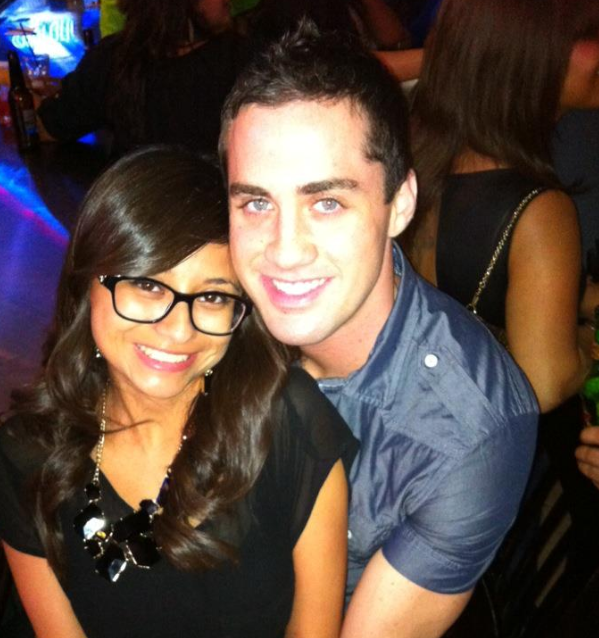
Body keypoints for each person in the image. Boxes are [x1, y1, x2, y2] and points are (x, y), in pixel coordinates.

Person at [219, 20, 539, 638]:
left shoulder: (471, 431)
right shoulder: (206, 310)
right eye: (256, 202)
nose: (284, 251)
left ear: (401, 204)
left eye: (327, 202)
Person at [0, 147, 357, 638]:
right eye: (148, 286)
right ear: (86, 283)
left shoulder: (290, 422)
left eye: (214, 296)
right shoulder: (26, 456)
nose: (179, 330)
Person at [404, 0, 598, 414]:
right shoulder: (538, 210)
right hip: (512, 443)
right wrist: (585, 342)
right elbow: (544, 382)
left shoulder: (423, 157)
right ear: (528, 51)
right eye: (590, 34)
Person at [0, 0, 249, 156]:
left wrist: (17, 87)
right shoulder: (248, 60)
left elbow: (44, 126)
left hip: (140, 221)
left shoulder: (115, 60)